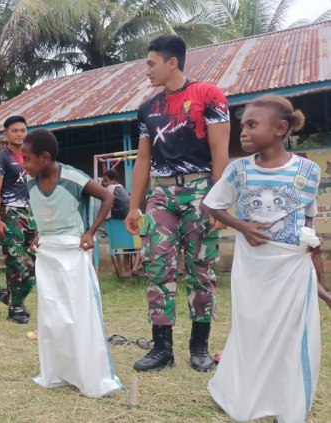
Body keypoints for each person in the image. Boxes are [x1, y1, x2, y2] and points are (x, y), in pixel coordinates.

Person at [203, 95, 321, 422]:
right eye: (243, 125)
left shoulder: (308, 171)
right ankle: (245, 395)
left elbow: (308, 228)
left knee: (289, 333)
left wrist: (319, 281)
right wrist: (242, 226)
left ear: (281, 128)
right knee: (251, 328)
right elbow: (211, 206)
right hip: (252, 267)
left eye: (252, 125)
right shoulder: (238, 170)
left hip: (292, 269)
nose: (243, 132)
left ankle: (285, 400)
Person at [125, 35, 231, 372]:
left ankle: (199, 347)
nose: (147, 71)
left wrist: (218, 202)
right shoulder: (147, 109)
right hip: (161, 193)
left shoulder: (209, 95)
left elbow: (220, 153)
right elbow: (143, 159)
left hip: (200, 189)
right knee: (157, 268)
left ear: (173, 63)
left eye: (151, 63)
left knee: (201, 269)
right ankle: (162, 349)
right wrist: (133, 206)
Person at [21, 129, 123, 398]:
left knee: (78, 310)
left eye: (28, 159)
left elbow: (108, 197)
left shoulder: (72, 177)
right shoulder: (31, 184)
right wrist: (37, 236)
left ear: (45, 157)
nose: (24, 165)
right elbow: (44, 217)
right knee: (53, 313)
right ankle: (59, 370)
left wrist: (91, 232)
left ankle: (86, 370)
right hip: (48, 254)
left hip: (73, 252)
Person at [0, 115, 36, 324]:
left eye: (23, 130)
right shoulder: (1, 158)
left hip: (32, 213)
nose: (19, 134)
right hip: (11, 213)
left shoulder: (31, 156)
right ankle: (15, 308)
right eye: (15, 130)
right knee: (15, 262)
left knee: (40, 259)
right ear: (6, 133)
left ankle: (11, 296)